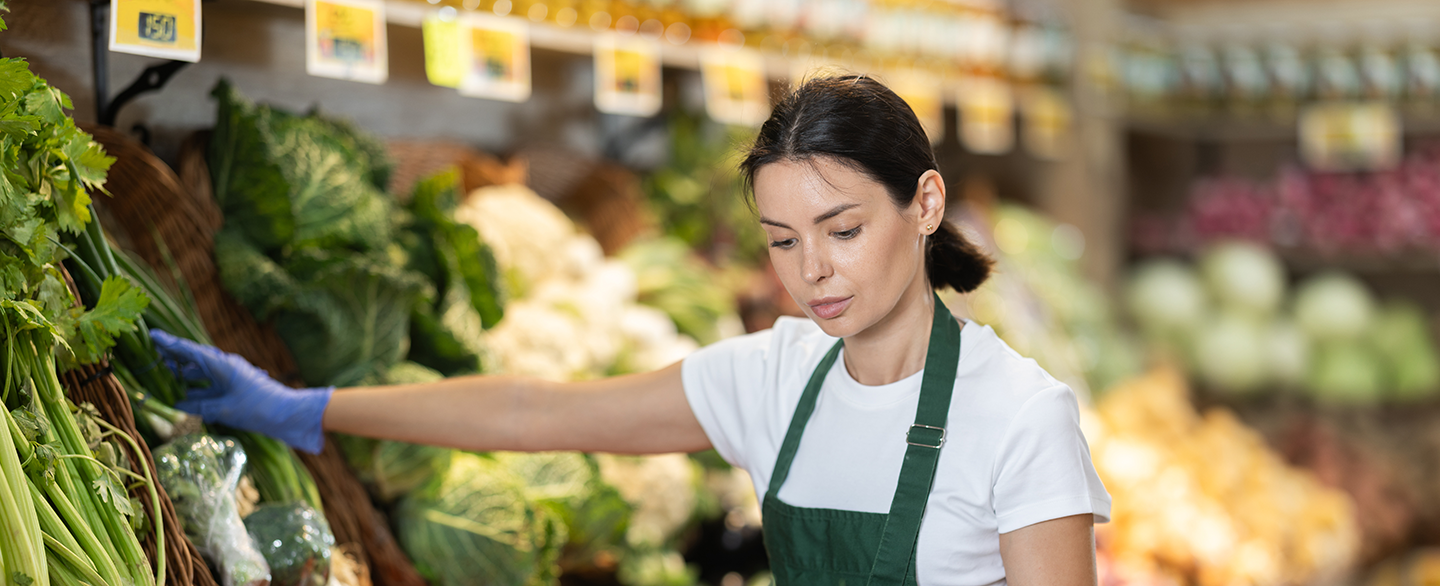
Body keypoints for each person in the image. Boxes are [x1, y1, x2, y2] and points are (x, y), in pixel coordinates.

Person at [154, 75, 1110, 586]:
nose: (811, 271)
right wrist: (310, 408)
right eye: (781, 240)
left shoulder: (1019, 416)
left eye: (844, 230)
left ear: (926, 204)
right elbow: (535, 412)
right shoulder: (777, 378)